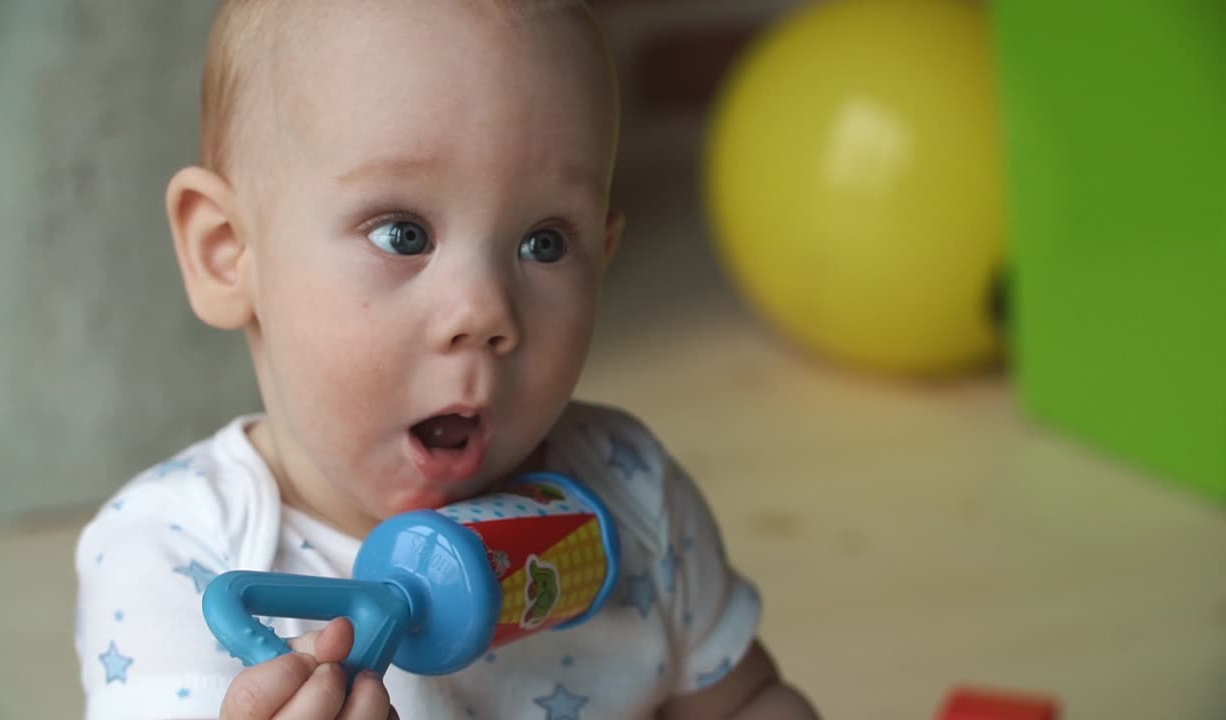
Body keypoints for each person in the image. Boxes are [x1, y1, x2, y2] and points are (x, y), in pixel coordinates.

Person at [74, 1, 821, 718]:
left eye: (546, 242)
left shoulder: (626, 490)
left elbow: (745, 702)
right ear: (228, 254)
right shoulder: (176, 555)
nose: (487, 310)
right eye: (402, 233)